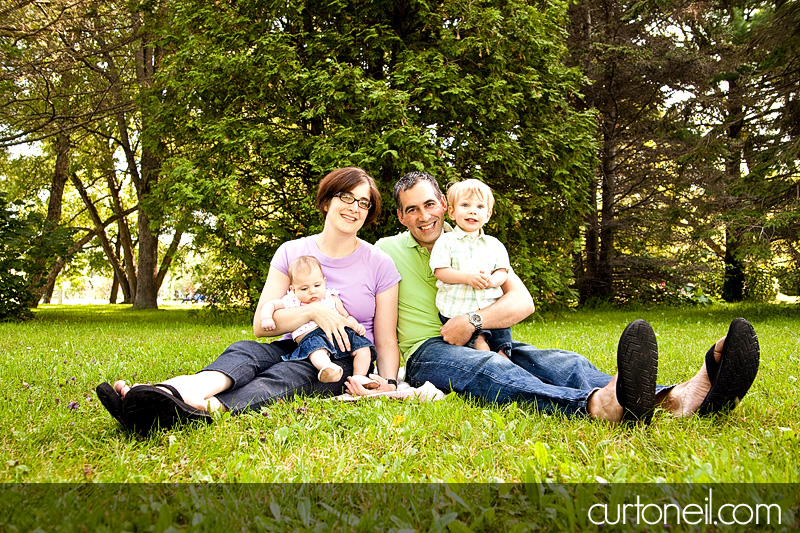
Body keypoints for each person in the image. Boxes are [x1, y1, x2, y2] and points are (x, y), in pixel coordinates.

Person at [349, 171, 760, 423]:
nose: (424, 217)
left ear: (445, 203)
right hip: (427, 352)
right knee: (492, 373)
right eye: (411, 210)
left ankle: (675, 398)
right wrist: (385, 378)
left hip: (482, 334)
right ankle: (595, 406)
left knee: (558, 361)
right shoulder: (384, 250)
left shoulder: (480, 245)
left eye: (430, 204)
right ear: (401, 216)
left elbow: (521, 303)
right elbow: (358, 294)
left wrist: (472, 322)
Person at [96, 167, 401, 435]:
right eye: (346, 197)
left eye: (364, 203)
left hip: (343, 356)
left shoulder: (379, 262)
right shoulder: (290, 252)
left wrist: (387, 382)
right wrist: (314, 311)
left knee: (288, 376)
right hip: (294, 342)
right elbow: (261, 326)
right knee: (245, 352)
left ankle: (192, 409)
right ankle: (171, 391)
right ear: (326, 201)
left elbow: (386, 340)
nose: (355, 208)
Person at [261, 255, 378, 388]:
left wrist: (355, 325)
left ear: (324, 281)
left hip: (340, 333)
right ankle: (327, 367)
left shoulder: (331, 297)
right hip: (312, 336)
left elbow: (345, 316)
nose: (312, 291)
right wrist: (266, 318)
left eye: (317, 285)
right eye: (304, 288)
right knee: (317, 351)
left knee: (363, 347)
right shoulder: (292, 300)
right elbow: (270, 305)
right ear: (293, 289)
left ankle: (360, 376)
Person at [429, 178, 512, 357]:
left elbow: (503, 271)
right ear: (451, 212)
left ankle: (505, 367)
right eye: (465, 205)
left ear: (488, 215)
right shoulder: (446, 241)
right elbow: (440, 271)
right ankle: (494, 370)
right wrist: (467, 278)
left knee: (502, 347)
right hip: (458, 312)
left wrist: (491, 281)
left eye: (480, 207)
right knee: (480, 345)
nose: (473, 211)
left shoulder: (494, 244)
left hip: (491, 312)